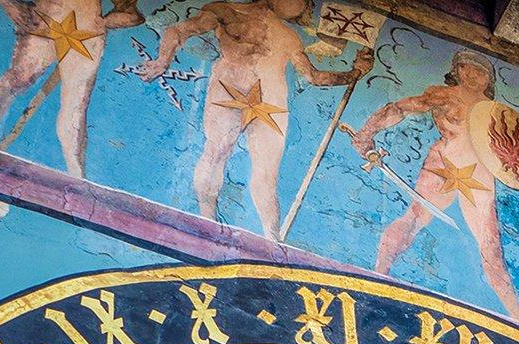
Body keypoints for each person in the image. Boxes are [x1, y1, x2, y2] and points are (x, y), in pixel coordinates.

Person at [138, 0, 369, 240]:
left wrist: (355, 73)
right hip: (229, 89)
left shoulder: (288, 36)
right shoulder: (225, 11)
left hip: (270, 102)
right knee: (216, 151)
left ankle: (272, 238)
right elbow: (179, 30)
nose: (308, 5)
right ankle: (207, 222)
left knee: (266, 174)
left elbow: (313, 77)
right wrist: (162, 61)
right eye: (305, 2)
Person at [351, 50, 519, 321]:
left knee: (491, 247)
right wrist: (367, 132)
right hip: (443, 162)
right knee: (413, 219)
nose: (472, 75)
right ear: (457, 70)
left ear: (489, 79)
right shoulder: (445, 95)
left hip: (479, 175)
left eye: (480, 71)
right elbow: (401, 108)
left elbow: (515, 153)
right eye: (466, 68)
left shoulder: (496, 113)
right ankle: (378, 274)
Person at [0, 0, 142, 178]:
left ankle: (76, 178)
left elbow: (131, 15)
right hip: (49, 21)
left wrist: (102, 23)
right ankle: (76, 179)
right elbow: (131, 16)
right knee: (16, 81)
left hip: (83, 33)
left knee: (74, 106)